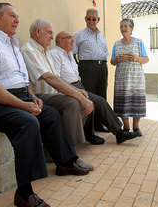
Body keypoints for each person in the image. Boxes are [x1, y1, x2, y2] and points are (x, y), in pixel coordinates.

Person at [0, 3, 92, 207]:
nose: (17, 20)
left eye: (18, 16)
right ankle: (24, 192)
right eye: (12, 16)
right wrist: (23, 105)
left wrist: (32, 97)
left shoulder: (12, 44)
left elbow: (21, 79)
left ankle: (65, 162)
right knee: (27, 122)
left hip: (16, 96)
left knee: (49, 113)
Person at [20, 18, 103, 146]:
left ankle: (66, 146)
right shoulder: (29, 50)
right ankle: (67, 150)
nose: (52, 38)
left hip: (53, 94)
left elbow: (57, 77)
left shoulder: (45, 51)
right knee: (73, 102)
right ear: (37, 31)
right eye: (50, 33)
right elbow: (49, 78)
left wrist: (76, 90)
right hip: (39, 96)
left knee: (83, 100)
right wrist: (78, 95)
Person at [50, 31, 140, 144]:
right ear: (60, 41)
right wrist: (75, 89)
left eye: (72, 37)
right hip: (68, 87)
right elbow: (57, 77)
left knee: (95, 101)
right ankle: (118, 133)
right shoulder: (55, 54)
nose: (73, 40)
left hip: (78, 85)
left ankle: (92, 134)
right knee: (98, 101)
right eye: (69, 38)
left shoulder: (69, 55)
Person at [73, 8, 110, 132]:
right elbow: (73, 54)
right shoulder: (79, 35)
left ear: (98, 20)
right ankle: (88, 129)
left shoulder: (101, 36)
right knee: (89, 96)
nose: (91, 21)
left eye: (94, 19)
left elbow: (106, 52)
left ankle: (99, 125)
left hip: (102, 68)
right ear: (85, 19)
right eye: (89, 18)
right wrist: (79, 68)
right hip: (87, 68)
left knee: (101, 95)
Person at [110, 18, 149, 136]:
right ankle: (126, 126)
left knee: (136, 101)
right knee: (123, 101)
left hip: (136, 78)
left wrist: (136, 58)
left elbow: (146, 59)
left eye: (126, 26)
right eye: (121, 26)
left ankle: (136, 127)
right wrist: (116, 59)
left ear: (132, 28)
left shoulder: (139, 42)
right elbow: (112, 61)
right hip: (121, 79)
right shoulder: (116, 44)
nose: (123, 29)